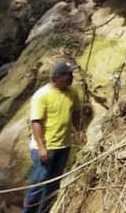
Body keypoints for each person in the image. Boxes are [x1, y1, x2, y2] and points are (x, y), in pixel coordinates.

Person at [23, 61, 85, 213]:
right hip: (46, 148)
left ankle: (45, 211)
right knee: (38, 184)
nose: (72, 78)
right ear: (58, 77)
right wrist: (42, 147)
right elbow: (36, 122)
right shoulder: (42, 95)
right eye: (69, 75)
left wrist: (80, 130)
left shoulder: (72, 93)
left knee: (54, 183)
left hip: (63, 146)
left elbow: (75, 113)